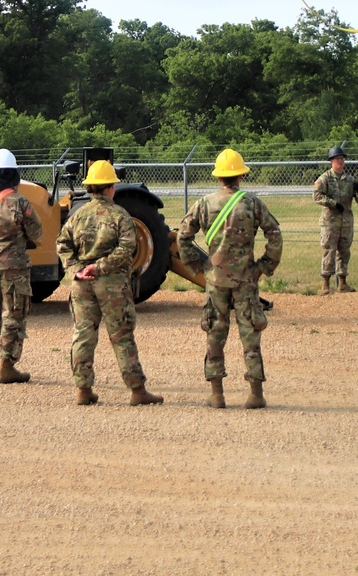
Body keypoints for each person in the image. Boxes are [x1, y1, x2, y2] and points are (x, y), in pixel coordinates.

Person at [176, 148, 282, 410]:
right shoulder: (253, 203)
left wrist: (197, 266)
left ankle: (217, 394)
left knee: (215, 333)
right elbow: (274, 234)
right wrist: (264, 265)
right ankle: (255, 394)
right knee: (250, 334)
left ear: (219, 177)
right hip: (246, 280)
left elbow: (182, 236)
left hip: (215, 280)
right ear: (240, 176)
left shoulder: (205, 203)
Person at [55, 159, 163, 407]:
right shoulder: (120, 215)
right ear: (110, 188)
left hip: (82, 284)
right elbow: (127, 249)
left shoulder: (77, 215)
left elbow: (61, 244)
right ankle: (137, 391)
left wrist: (76, 269)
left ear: (91, 187)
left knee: (83, 335)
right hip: (112, 284)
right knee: (122, 335)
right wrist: (101, 267)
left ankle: (83, 390)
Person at [0, 148, 42, 383]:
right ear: (14, 175)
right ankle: (6, 366)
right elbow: (37, 233)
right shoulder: (21, 202)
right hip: (15, 268)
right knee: (13, 314)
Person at [313, 143, 358, 293]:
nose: (340, 161)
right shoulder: (325, 178)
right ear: (331, 161)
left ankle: (342, 282)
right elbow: (316, 196)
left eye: (342, 159)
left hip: (346, 222)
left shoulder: (349, 180)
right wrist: (333, 204)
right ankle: (325, 284)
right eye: (337, 159)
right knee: (329, 251)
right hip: (330, 222)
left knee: (344, 252)